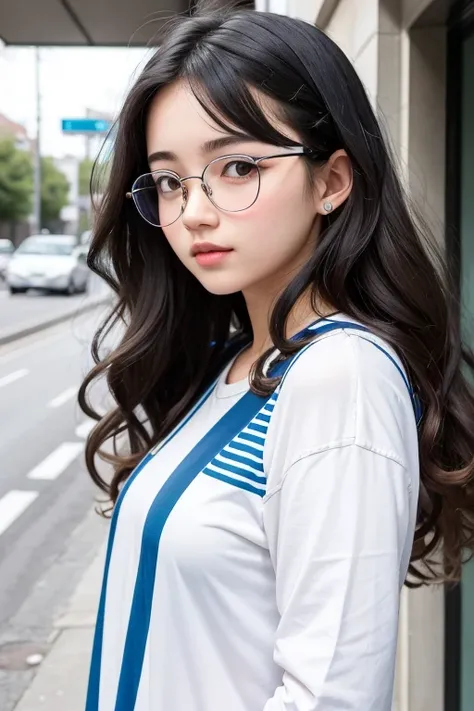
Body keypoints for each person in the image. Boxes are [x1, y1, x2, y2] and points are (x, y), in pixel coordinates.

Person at [79, 7, 474, 711]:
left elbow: (333, 699)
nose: (193, 211)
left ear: (332, 181)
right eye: (170, 180)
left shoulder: (338, 377)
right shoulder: (232, 366)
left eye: (236, 167)